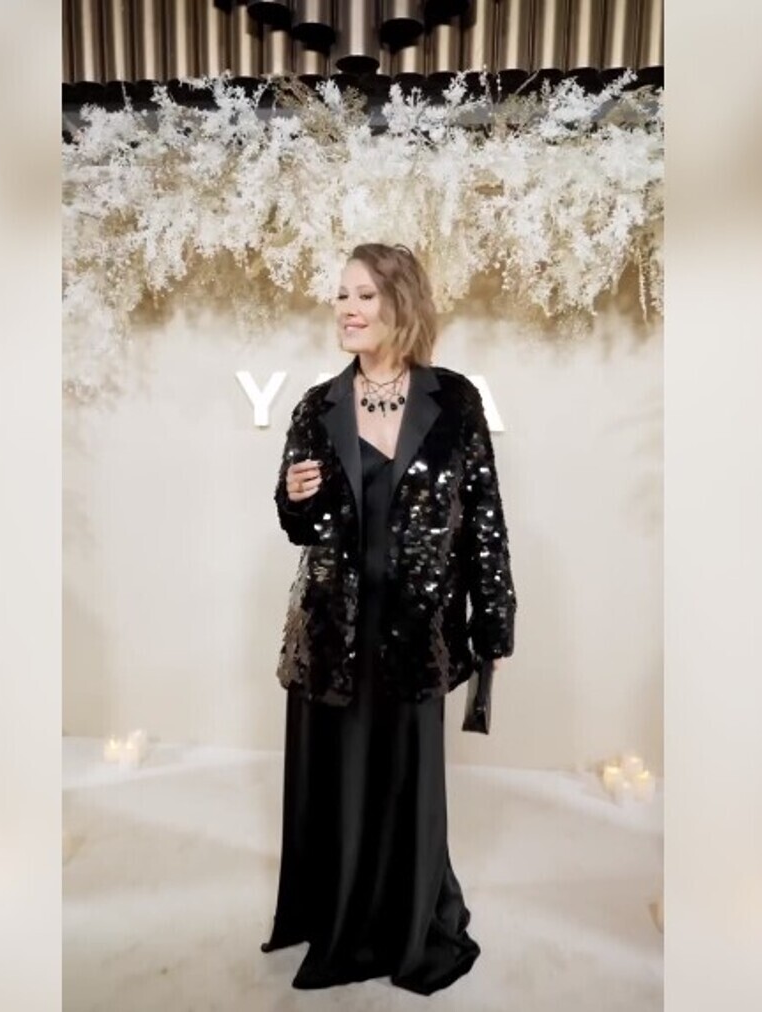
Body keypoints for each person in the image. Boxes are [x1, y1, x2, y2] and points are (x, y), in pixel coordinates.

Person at [260, 242, 517, 994]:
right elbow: (300, 529)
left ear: (401, 303)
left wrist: (492, 621)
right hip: (334, 629)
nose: (347, 308)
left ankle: (407, 923)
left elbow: (484, 519)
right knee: (340, 782)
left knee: (407, 781)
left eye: (364, 295)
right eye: (342, 295)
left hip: (417, 628)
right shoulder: (318, 405)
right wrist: (294, 497)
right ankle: (339, 919)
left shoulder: (453, 400)